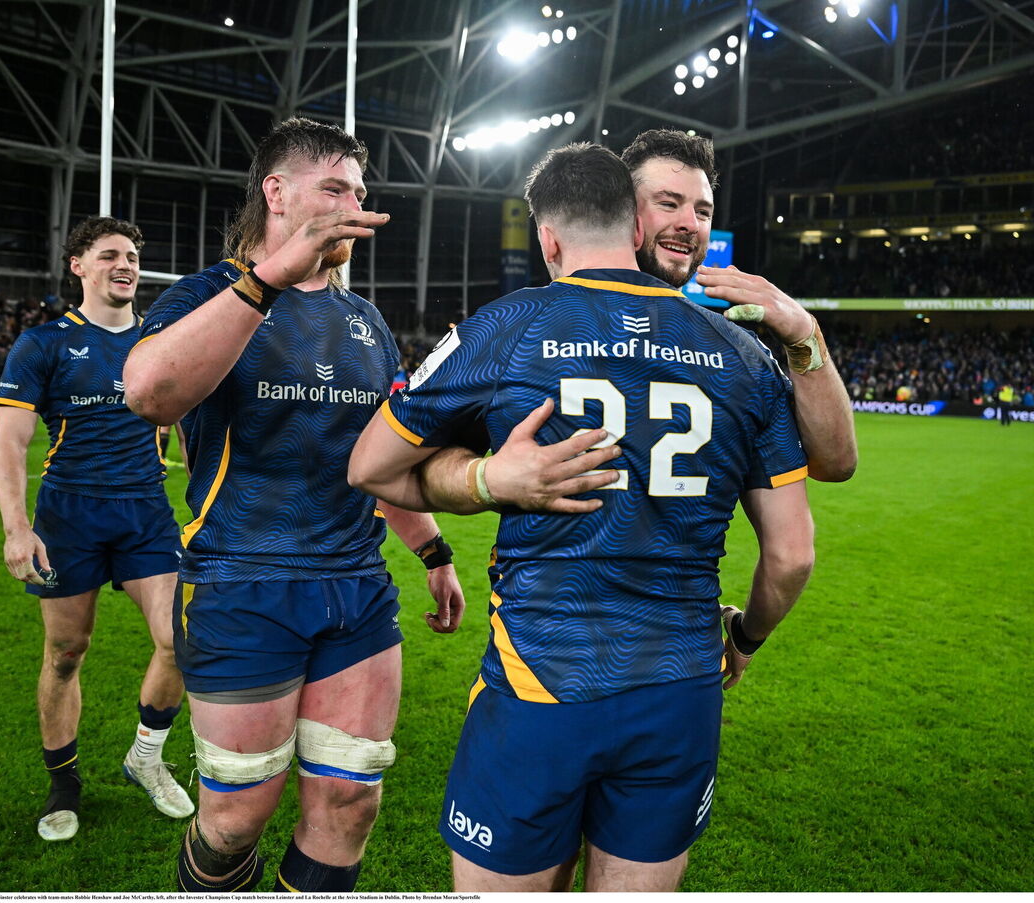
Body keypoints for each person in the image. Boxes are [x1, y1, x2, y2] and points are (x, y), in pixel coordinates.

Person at [349, 142, 815, 892]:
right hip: (680, 688)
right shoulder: (744, 355)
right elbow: (792, 555)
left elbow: (368, 468)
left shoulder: (505, 327)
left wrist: (489, 478)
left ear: (548, 237)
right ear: (635, 226)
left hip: (543, 681)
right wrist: (745, 636)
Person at [122, 117, 465, 894]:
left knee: (349, 802)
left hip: (356, 591)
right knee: (236, 819)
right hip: (242, 585)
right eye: (336, 188)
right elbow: (147, 391)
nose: (355, 204)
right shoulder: (210, 293)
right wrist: (269, 276)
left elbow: (378, 457)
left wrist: (433, 551)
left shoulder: (367, 322)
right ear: (276, 191)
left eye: (361, 192)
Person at [0, 215, 193, 843]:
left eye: (132, 255)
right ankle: (64, 782)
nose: (125, 264)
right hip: (69, 518)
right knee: (65, 653)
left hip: (144, 514)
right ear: (78, 266)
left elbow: (189, 425)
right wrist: (18, 528)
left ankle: (145, 757)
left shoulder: (161, 342)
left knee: (181, 639)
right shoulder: (44, 343)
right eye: (109, 255)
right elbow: (10, 445)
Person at [621, 129, 857, 483]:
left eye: (703, 212)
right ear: (620, 210)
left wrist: (806, 334)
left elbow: (836, 463)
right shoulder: (541, 325)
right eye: (668, 203)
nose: (690, 225)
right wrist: (501, 479)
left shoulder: (739, 353)